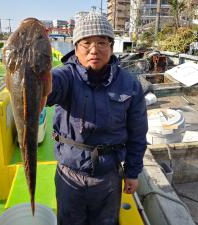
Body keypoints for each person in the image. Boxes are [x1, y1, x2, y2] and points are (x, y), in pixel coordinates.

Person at [46, 12, 148, 225]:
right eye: (86, 43)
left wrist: (132, 172)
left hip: (108, 176)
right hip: (69, 173)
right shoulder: (65, 75)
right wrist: (35, 72)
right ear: (76, 48)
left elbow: (138, 133)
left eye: (102, 42)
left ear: (111, 46)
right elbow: (48, 89)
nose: (94, 50)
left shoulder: (130, 84)